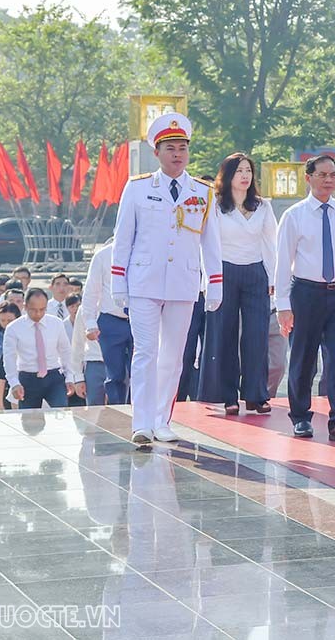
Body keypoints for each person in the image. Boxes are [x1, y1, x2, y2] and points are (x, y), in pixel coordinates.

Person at [111, 112, 222, 444]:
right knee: (146, 352)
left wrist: (214, 282)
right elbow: (123, 237)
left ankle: (162, 419)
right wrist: (118, 281)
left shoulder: (202, 192)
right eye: (171, 148)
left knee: (174, 356)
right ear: (157, 153)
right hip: (144, 281)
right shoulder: (138, 187)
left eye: (183, 148)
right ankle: (141, 422)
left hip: (182, 283)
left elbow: (211, 241)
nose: (177, 154)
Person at [274, 154, 335, 442]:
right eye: (322, 175)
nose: (328, 180)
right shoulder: (294, 216)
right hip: (306, 293)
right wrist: (283, 306)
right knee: (303, 359)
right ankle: (301, 417)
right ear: (308, 177)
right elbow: (282, 262)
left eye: (333, 175)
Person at [200, 152, 277, 415]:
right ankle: (228, 395)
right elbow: (206, 244)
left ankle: (256, 394)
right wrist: (209, 279)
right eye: (239, 171)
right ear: (228, 175)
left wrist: (273, 277)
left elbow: (270, 243)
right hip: (224, 272)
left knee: (257, 335)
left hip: (256, 272)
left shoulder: (263, 206)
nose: (244, 176)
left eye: (248, 171)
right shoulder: (215, 204)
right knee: (226, 334)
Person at [3, 288, 78, 409]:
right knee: (30, 423)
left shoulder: (56, 323)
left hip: (54, 376)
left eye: (42, 309)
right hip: (28, 378)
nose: (38, 314)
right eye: (33, 310)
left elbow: (65, 351)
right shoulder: (13, 328)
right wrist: (14, 383)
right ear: (25, 306)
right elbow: (9, 358)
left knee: (61, 414)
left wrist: (70, 377)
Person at [82, 237, 133, 405]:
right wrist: (90, 323)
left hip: (140, 319)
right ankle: (118, 412)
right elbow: (91, 291)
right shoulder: (103, 255)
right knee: (114, 374)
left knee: (141, 372)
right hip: (111, 321)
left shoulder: (146, 251)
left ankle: (141, 414)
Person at [68, 295, 104, 405]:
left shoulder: (122, 306)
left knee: (120, 409)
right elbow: (77, 344)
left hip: (120, 362)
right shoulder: (84, 309)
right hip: (94, 364)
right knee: (94, 410)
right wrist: (78, 378)